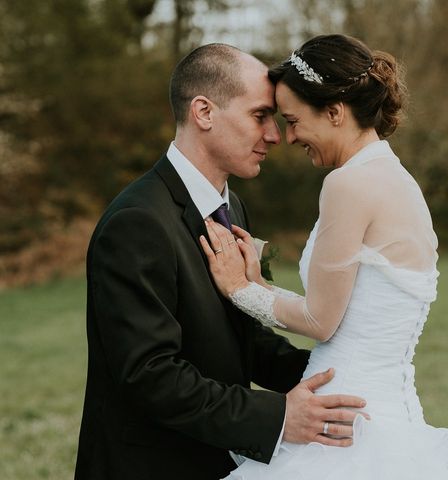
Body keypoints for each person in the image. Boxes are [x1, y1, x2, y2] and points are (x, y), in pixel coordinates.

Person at [200, 34, 448, 479]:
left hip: (343, 431)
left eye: (294, 120)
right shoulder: (395, 179)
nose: (289, 135)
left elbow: (322, 321)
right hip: (387, 418)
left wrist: (239, 290)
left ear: (336, 112)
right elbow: (351, 310)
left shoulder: (348, 186)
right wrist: (262, 287)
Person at [74, 43, 367, 480]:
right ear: (204, 112)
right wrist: (279, 416)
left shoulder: (233, 210)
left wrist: (336, 377)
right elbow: (149, 375)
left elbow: (242, 337)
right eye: (259, 116)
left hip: (217, 457)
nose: (274, 135)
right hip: (151, 465)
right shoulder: (137, 222)